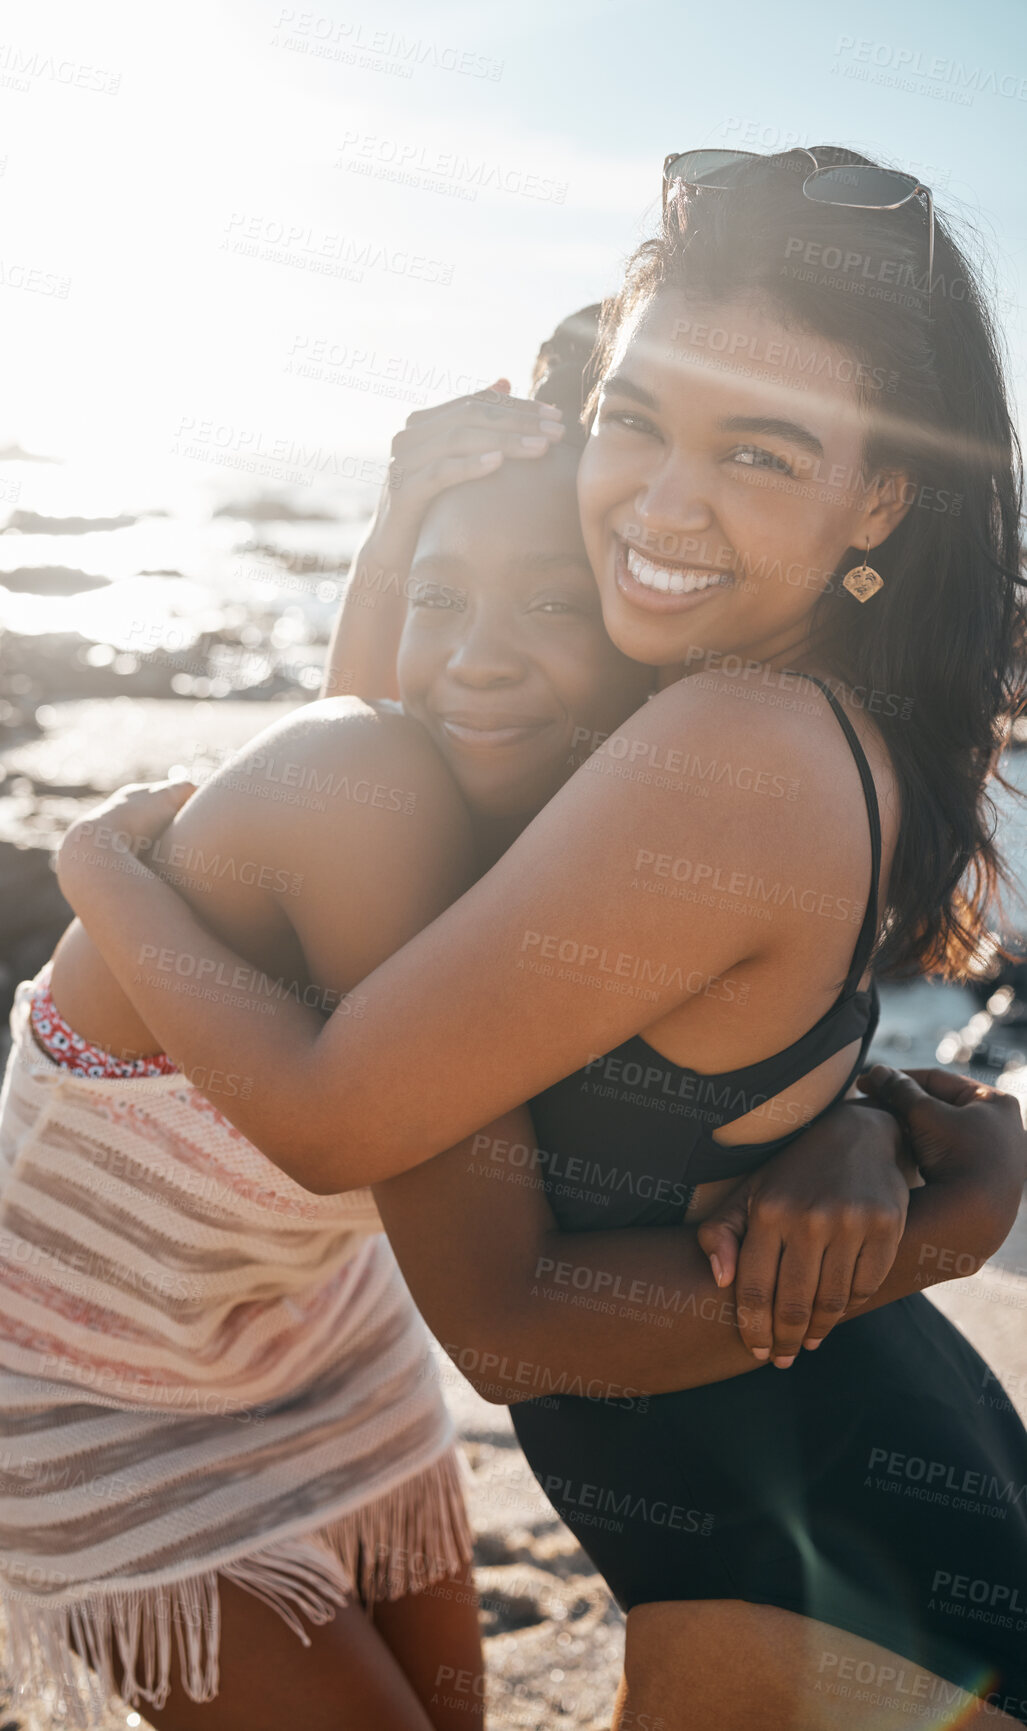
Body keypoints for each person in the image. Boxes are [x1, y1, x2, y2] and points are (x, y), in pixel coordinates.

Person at [58, 146, 1027, 1728]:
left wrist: (99, 869)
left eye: (762, 455)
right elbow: (407, 811)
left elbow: (343, 1125)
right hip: (833, 1512)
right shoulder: (789, 711)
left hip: (821, 1581)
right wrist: (864, 1129)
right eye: (634, 419)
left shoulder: (726, 747)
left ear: (882, 493)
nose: (658, 499)